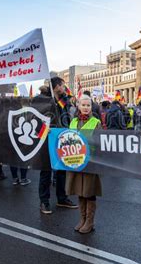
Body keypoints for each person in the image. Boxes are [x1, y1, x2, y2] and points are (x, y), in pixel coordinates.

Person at [39, 77, 78, 214]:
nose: (64, 88)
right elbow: (36, 120)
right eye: (62, 85)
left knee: (62, 170)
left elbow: (67, 118)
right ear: (56, 87)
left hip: (62, 139)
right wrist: (45, 129)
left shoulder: (64, 101)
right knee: (46, 171)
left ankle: (62, 198)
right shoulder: (43, 101)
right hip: (46, 140)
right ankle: (44, 201)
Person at [66, 95, 102, 233]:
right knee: (80, 191)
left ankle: (89, 222)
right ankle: (82, 219)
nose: (86, 108)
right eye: (83, 105)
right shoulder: (73, 121)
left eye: (88, 105)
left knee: (89, 191)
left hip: (90, 162)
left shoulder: (96, 122)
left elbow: (100, 143)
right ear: (78, 106)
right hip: (76, 162)